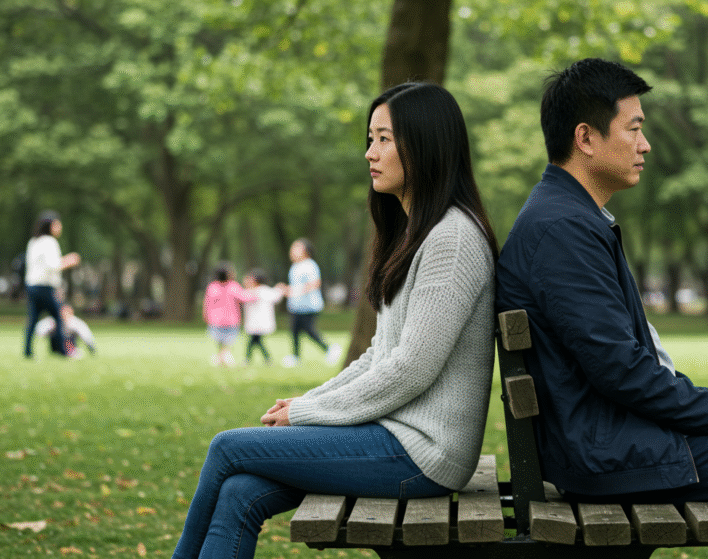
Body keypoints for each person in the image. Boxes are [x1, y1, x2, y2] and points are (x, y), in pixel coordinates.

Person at [495, 58, 708, 558]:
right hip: (606, 454)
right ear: (586, 138)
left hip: (604, 439)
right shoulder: (563, 229)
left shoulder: (568, 216)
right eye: (633, 129)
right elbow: (621, 369)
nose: (645, 145)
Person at [172, 82, 499, 559]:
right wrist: (311, 400)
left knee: (227, 448)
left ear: (426, 145)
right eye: (371, 139)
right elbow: (378, 356)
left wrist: (306, 414)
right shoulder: (418, 234)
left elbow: (411, 368)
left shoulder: (451, 240)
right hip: (392, 437)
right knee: (240, 490)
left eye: (384, 139)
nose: (370, 153)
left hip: (423, 453)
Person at [23, 210, 80, 359]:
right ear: (50, 226)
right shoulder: (49, 242)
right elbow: (52, 265)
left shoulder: (33, 242)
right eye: (57, 224)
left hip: (32, 286)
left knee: (33, 318)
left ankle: (27, 351)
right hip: (44, 287)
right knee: (59, 317)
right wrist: (69, 260)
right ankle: (63, 350)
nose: (60, 227)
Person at [281, 238, 341, 367]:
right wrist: (288, 290)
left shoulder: (310, 265)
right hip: (295, 306)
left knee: (309, 330)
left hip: (309, 305)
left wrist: (295, 292)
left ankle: (330, 349)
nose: (292, 250)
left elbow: (314, 284)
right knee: (295, 331)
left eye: (296, 247)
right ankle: (295, 356)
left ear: (306, 251)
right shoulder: (295, 266)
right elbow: (295, 286)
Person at [203, 262, 255, 367]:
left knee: (220, 340)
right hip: (231, 320)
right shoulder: (233, 286)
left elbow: (207, 303)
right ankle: (224, 356)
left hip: (215, 320)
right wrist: (256, 292)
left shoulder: (212, 287)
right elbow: (244, 297)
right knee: (228, 341)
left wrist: (206, 315)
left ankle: (220, 357)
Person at [242, 269, 284, 365]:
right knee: (256, 340)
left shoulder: (261, 291)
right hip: (255, 322)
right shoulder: (253, 291)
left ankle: (250, 359)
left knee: (254, 340)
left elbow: (276, 296)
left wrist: (280, 289)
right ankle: (265, 358)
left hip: (259, 322)